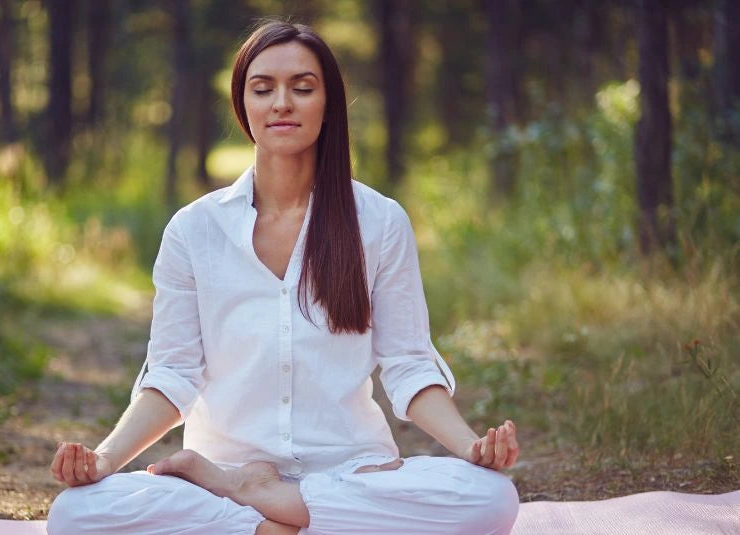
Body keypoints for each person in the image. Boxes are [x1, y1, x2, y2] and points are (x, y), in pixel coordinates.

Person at [47, 20, 520, 535]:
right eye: (263, 88)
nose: (281, 103)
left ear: (328, 104)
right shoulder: (194, 230)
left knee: (491, 498)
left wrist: (470, 445)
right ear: (242, 104)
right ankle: (280, 512)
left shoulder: (380, 222)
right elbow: (172, 375)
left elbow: (408, 365)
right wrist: (105, 459)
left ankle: (267, 513)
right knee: (74, 516)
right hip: (220, 470)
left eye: (302, 88)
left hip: (352, 470)